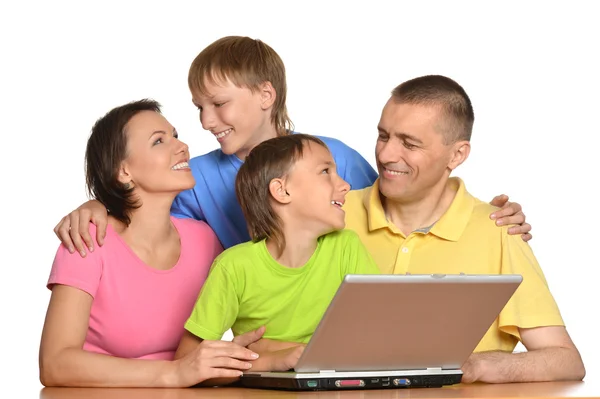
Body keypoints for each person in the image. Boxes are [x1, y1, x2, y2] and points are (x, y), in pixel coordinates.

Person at [51, 36, 531, 256]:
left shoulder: (336, 158)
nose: (205, 121)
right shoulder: (193, 179)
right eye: (198, 107)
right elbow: (142, 220)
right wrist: (99, 205)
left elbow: (402, 207)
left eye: (218, 103)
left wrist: (487, 219)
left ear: (266, 95)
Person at [341, 75, 586, 383]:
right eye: (383, 136)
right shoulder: (332, 213)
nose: (387, 154)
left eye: (409, 143)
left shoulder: (499, 231)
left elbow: (566, 360)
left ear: (457, 155)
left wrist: (477, 365)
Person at [38, 99, 262, 388]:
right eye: (159, 141)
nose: (181, 147)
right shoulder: (87, 241)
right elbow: (55, 364)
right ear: (123, 172)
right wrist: (175, 373)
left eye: (176, 136)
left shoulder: (205, 240)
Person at [174, 134, 381, 384]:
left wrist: (276, 346)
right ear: (282, 190)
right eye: (326, 171)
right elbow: (185, 362)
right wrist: (268, 360)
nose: (345, 185)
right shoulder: (234, 267)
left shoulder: (347, 247)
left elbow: (377, 339)